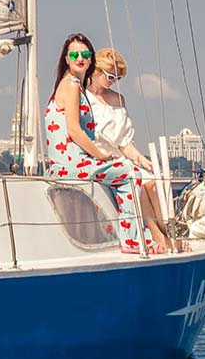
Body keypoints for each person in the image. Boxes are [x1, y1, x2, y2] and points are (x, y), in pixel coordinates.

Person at [43, 33, 158, 253]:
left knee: (125, 171)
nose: (80, 58)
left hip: (67, 164)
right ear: (66, 59)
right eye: (74, 55)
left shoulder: (72, 85)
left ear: (91, 59)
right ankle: (132, 240)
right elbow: (74, 130)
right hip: (70, 165)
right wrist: (100, 155)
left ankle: (136, 235)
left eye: (85, 54)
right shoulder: (71, 85)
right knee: (130, 174)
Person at [88, 48, 181, 252]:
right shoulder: (83, 99)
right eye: (110, 76)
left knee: (155, 184)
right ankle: (157, 236)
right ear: (96, 70)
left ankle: (169, 233)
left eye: (118, 78)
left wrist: (142, 159)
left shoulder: (118, 99)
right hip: (101, 158)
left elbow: (124, 142)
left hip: (122, 156)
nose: (113, 81)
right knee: (136, 182)